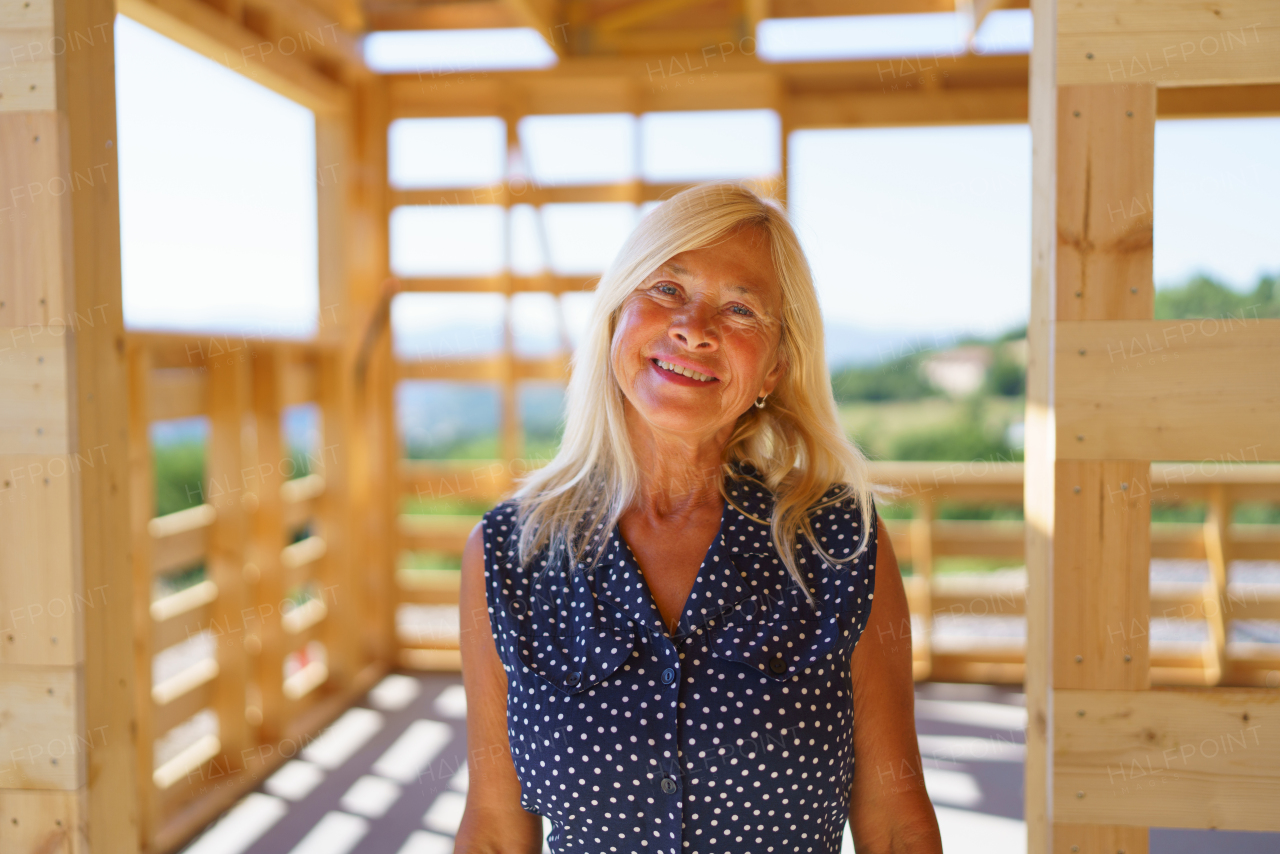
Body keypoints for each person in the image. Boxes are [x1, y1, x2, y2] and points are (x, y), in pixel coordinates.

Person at [456, 182, 941, 854]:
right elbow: (493, 831)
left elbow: (895, 824)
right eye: (666, 290)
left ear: (775, 367)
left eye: (740, 309)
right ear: (616, 317)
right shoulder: (510, 554)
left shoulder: (840, 545)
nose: (694, 328)